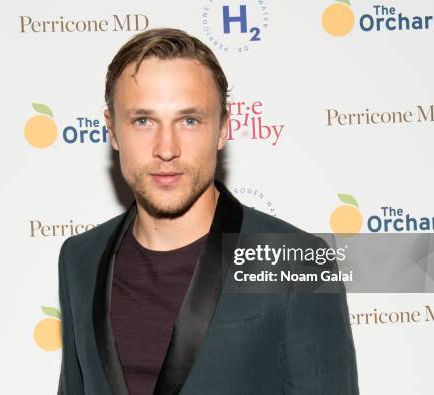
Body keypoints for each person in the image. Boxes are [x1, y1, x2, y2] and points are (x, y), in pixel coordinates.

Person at [57, 27, 359, 395]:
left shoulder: (295, 261)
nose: (166, 148)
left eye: (189, 121)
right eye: (143, 121)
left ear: (222, 129)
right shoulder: (80, 258)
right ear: (113, 131)